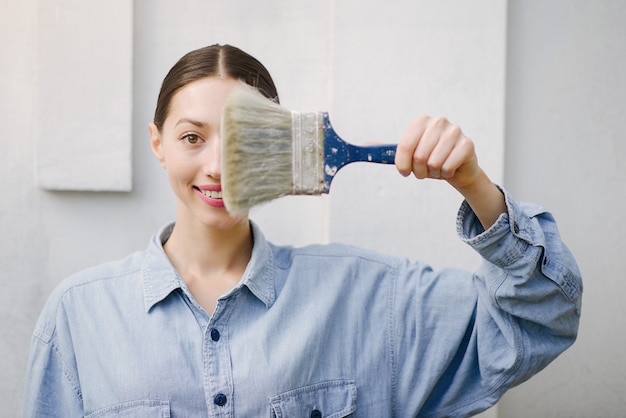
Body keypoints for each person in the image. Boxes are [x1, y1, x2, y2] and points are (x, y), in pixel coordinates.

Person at [24, 44, 582, 417]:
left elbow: (537, 319)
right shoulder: (78, 317)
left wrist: (475, 186)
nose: (217, 166)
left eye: (240, 137)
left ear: (282, 142)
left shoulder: (367, 300)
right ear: (157, 143)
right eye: (192, 137)